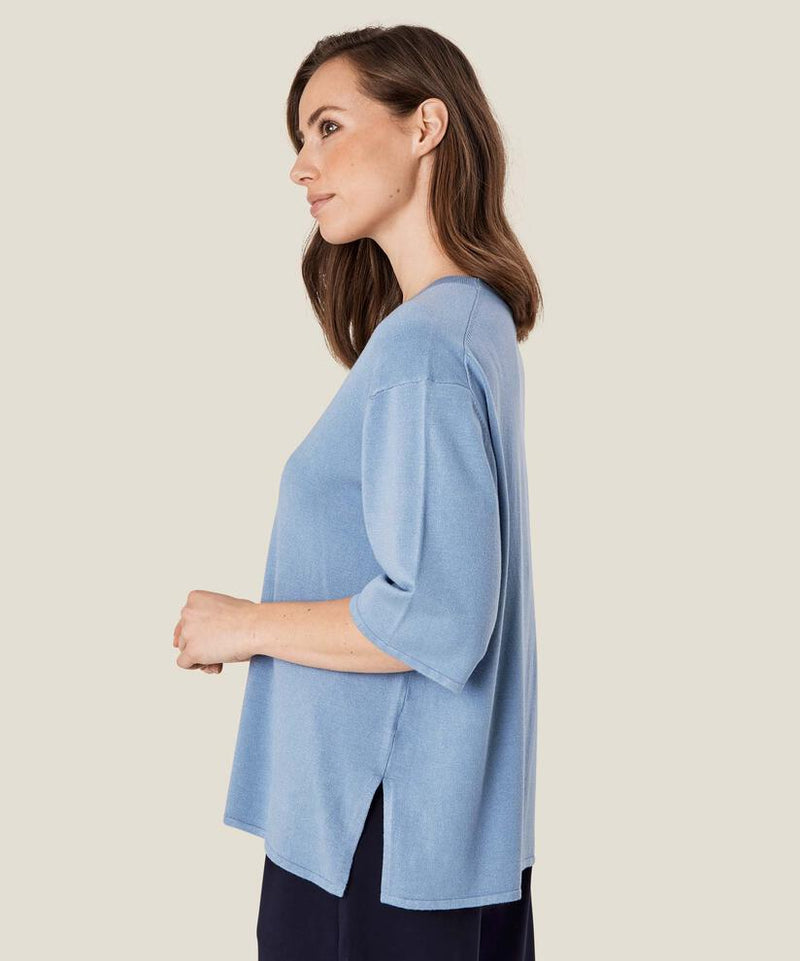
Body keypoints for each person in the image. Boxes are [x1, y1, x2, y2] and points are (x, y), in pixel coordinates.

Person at [174, 23, 543, 960]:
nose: (303, 165)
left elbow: (439, 619)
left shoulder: (426, 350)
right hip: (428, 832)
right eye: (301, 138)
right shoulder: (469, 323)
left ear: (425, 126)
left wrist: (245, 625)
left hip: (372, 834)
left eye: (329, 126)